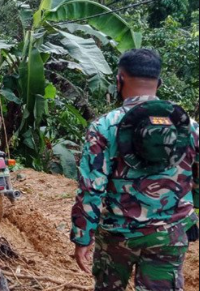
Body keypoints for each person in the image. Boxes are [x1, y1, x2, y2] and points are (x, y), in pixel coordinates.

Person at [71, 49, 199, 291]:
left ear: (119, 79)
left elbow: (91, 189)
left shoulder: (103, 127)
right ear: (159, 82)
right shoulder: (188, 127)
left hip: (118, 234)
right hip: (170, 233)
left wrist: (83, 236)